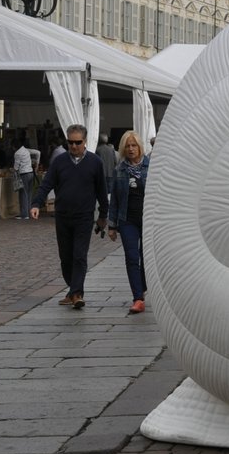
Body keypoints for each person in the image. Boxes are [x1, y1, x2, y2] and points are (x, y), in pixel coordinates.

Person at [31, 124, 108, 310]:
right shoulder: (59, 162)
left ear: (85, 141)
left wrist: (103, 215)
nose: (73, 146)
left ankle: (76, 294)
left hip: (84, 216)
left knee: (79, 255)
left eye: (77, 142)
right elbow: (47, 184)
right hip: (63, 216)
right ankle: (73, 290)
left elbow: (101, 191)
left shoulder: (95, 162)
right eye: (70, 142)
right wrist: (36, 203)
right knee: (66, 257)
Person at [107, 131, 152, 314]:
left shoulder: (152, 167)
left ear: (140, 147)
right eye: (128, 145)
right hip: (127, 220)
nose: (131, 149)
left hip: (148, 220)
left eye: (134, 145)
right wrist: (112, 225)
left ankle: (142, 286)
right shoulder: (120, 170)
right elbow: (115, 200)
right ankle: (138, 298)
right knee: (132, 258)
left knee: (147, 259)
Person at [13, 136, 37, 220]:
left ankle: (24, 214)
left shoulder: (17, 153)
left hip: (24, 174)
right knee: (29, 194)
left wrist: (12, 169)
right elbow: (38, 152)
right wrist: (37, 163)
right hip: (30, 172)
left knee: (23, 194)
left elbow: (16, 167)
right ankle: (30, 212)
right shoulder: (26, 150)